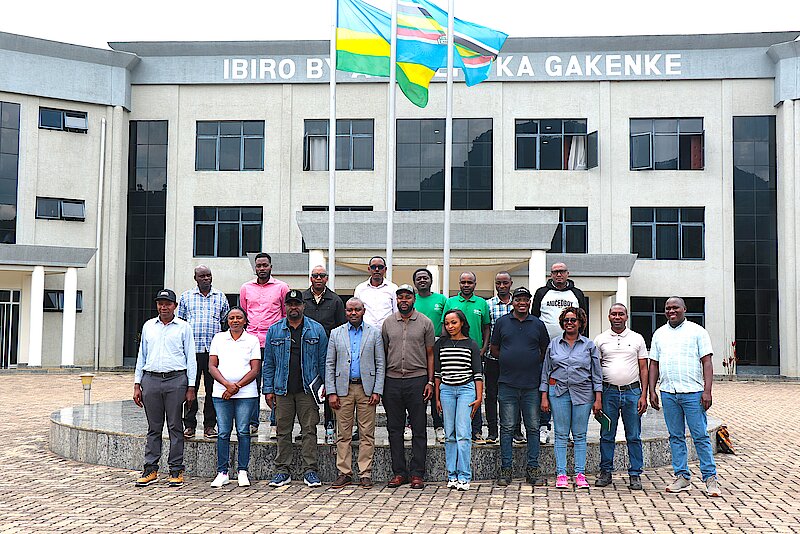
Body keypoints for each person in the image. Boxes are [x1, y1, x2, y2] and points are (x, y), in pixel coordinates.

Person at [649, 296, 720, 496]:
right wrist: (652, 390)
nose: (671, 311)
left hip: (693, 393)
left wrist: (707, 390)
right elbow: (654, 363)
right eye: (668, 308)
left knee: (700, 436)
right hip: (668, 393)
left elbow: (707, 362)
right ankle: (682, 477)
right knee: (675, 436)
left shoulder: (698, 332)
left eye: (675, 307)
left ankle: (710, 479)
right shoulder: (659, 334)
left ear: (684, 309)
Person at [262, 290, 328, 488]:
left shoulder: (316, 329)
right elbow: (269, 363)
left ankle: (310, 471)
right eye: (290, 304)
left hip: (307, 389)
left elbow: (324, 361)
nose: (293, 307)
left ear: (303, 306)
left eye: (297, 304)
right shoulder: (275, 330)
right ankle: (282, 470)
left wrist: (326, 386)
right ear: (285, 306)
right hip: (282, 389)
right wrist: (268, 389)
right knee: (283, 431)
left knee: (309, 430)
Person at [133, 289, 196, 488]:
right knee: (154, 427)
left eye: (168, 304)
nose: (164, 307)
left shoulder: (184, 327)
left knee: (175, 426)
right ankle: (150, 468)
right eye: (160, 303)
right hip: (151, 380)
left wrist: (191, 386)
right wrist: (137, 384)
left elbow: (191, 358)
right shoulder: (149, 326)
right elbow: (141, 356)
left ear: (175, 306)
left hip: (176, 380)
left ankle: (176, 469)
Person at [491, 287, 550, 486]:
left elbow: (544, 350)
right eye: (518, 299)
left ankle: (532, 470)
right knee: (507, 427)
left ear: (530, 302)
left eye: (526, 299)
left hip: (531, 385)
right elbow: (494, 349)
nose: (522, 303)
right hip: (507, 383)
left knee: (533, 427)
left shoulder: (538, 324)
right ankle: (506, 470)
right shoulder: (502, 322)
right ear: (513, 302)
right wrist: (509, 360)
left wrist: (529, 361)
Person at [326, 298, 385, 489]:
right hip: (343, 389)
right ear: (345, 311)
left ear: (363, 311)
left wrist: (377, 390)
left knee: (367, 433)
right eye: (350, 310)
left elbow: (380, 363)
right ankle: (344, 473)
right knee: (343, 434)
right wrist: (331, 391)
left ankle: (365, 473)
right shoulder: (336, 333)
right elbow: (330, 364)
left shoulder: (374, 333)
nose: (353, 313)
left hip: (366, 390)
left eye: (357, 310)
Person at [540, 307, 602, 490]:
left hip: (583, 393)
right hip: (558, 392)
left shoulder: (589, 345)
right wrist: (544, 396)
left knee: (580, 434)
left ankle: (580, 474)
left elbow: (596, 374)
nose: (569, 323)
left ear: (580, 322)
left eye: (573, 320)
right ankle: (561, 474)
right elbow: (546, 371)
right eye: (566, 320)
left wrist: (598, 398)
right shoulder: (554, 344)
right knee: (560, 434)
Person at [382, 284, 435, 489]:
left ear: (414, 299)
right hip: (392, 381)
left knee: (419, 428)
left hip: (417, 380)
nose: (404, 300)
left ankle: (417, 473)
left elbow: (430, 354)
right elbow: (383, 352)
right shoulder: (388, 323)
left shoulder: (425, 322)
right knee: (394, 429)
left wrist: (430, 381)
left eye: (407, 297)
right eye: (400, 297)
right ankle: (399, 473)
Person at [532, 262, 588, 445]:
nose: (558, 275)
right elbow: (534, 318)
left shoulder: (577, 294)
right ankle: (544, 427)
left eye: (561, 271)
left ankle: (568, 430)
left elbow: (583, 320)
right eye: (555, 272)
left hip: (571, 349)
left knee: (570, 387)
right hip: (546, 350)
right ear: (551, 274)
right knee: (546, 387)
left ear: (567, 273)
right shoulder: (542, 293)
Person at [594, 303, 649, 490]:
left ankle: (635, 474)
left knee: (633, 435)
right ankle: (605, 472)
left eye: (621, 314)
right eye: (614, 314)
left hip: (632, 393)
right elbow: (596, 370)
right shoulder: (600, 339)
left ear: (626, 316)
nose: (617, 317)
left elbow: (644, 368)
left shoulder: (637, 338)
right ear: (609, 316)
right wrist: (597, 397)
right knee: (606, 434)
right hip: (608, 392)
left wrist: (644, 394)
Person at [206, 307, 261, 488]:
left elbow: (255, 369)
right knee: (223, 432)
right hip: (221, 393)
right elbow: (212, 366)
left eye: (239, 317)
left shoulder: (252, 340)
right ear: (227, 321)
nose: (235, 320)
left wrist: (236, 387)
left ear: (245, 320)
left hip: (246, 394)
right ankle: (222, 472)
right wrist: (227, 385)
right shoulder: (218, 338)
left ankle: (242, 471)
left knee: (243, 431)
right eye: (231, 318)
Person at [177, 265, 229, 440]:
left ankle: (209, 426)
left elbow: (225, 323)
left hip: (213, 353)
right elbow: (181, 324)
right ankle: (189, 425)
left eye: (209, 275)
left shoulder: (220, 297)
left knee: (212, 389)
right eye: (202, 276)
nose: (206, 278)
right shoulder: (186, 297)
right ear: (195, 278)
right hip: (192, 352)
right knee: (190, 388)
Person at [240, 252, 289, 436]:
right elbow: (244, 314)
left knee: (275, 383)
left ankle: (276, 423)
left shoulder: (282, 287)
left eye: (265, 265)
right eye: (259, 266)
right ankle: (252, 423)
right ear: (255, 268)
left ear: (270, 267)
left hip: (274, 341)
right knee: (252, 382)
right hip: (252, 342)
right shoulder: (246, 288)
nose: (262, 268)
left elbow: (285, 314)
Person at [434, 309, 483, 491]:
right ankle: (452, 475)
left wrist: (479, 397)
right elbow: (437, 373)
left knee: (463, 433)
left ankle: (464, 476)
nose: (450, 326)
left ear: (462, 323)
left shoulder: (471, 344)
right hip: (446, 390)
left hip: (466, 390)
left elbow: (477, 373)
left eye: (454, 322)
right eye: (447, 323)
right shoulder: (441, 344)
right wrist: (437, 397)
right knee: (450, 434)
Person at [442, 272, 490, 442]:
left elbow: (486, 327)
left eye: (470, 282)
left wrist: (483, 348)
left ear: (475, 284)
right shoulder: (450, 302)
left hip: (475, 352)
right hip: (454, 353)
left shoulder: (482, 303)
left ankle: (476, 430)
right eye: (463, 282)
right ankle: (452, 431)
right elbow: (444, 326)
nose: (466, 285)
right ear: (459, 284)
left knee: (474, 393)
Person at [302, 265, 346, 445]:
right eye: (315, 275)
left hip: (329, 352)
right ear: (310, 278)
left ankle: (329, 427)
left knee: (329, 389)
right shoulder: (302, 299)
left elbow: (342, 327)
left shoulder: (335, 300)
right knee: (306, 391)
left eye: (322, 275)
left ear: (326, 278)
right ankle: (307, 428)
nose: (318, 278)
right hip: (306, 352)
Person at [486, 271, 522, 445]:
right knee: (491, 395)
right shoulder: (488, 305)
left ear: (511, 283)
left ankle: (516, 430)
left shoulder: (518, 304)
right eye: (498, 283)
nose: (501, 286)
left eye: (505, 283)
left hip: (515, 359)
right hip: (493, 358)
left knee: (516, 394)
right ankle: (492, 431)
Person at [412, 267, 447, 443]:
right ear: (414, 282)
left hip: (436, 346)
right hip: (414, 348)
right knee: (416, 385)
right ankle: (410, 424)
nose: (422, 280)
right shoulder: (411, 299)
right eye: (419, 278)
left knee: (436, 383)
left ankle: (438, 425)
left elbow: (445, 323)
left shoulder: (441, 299)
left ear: (431, 281)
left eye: (425, 277)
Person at [354, 255, 398, 329]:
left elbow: (396, 312)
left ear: (385, 269)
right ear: (369, 269)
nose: (377, 270)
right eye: (373, 267)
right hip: (366, 331)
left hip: (387, 331)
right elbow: (356, 312)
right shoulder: (360, 289)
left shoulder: (393, 288)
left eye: (380, 267)